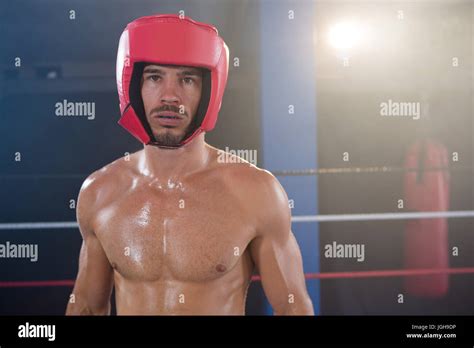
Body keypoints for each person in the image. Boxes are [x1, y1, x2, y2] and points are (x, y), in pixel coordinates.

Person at [66, 14, 313, 315]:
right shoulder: (101, 191)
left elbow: (293, 308)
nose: (170, 96)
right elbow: (87, 308)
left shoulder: (255, 191)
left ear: (209, 91)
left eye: (187, 79)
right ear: (133, 87)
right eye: (154, 77)